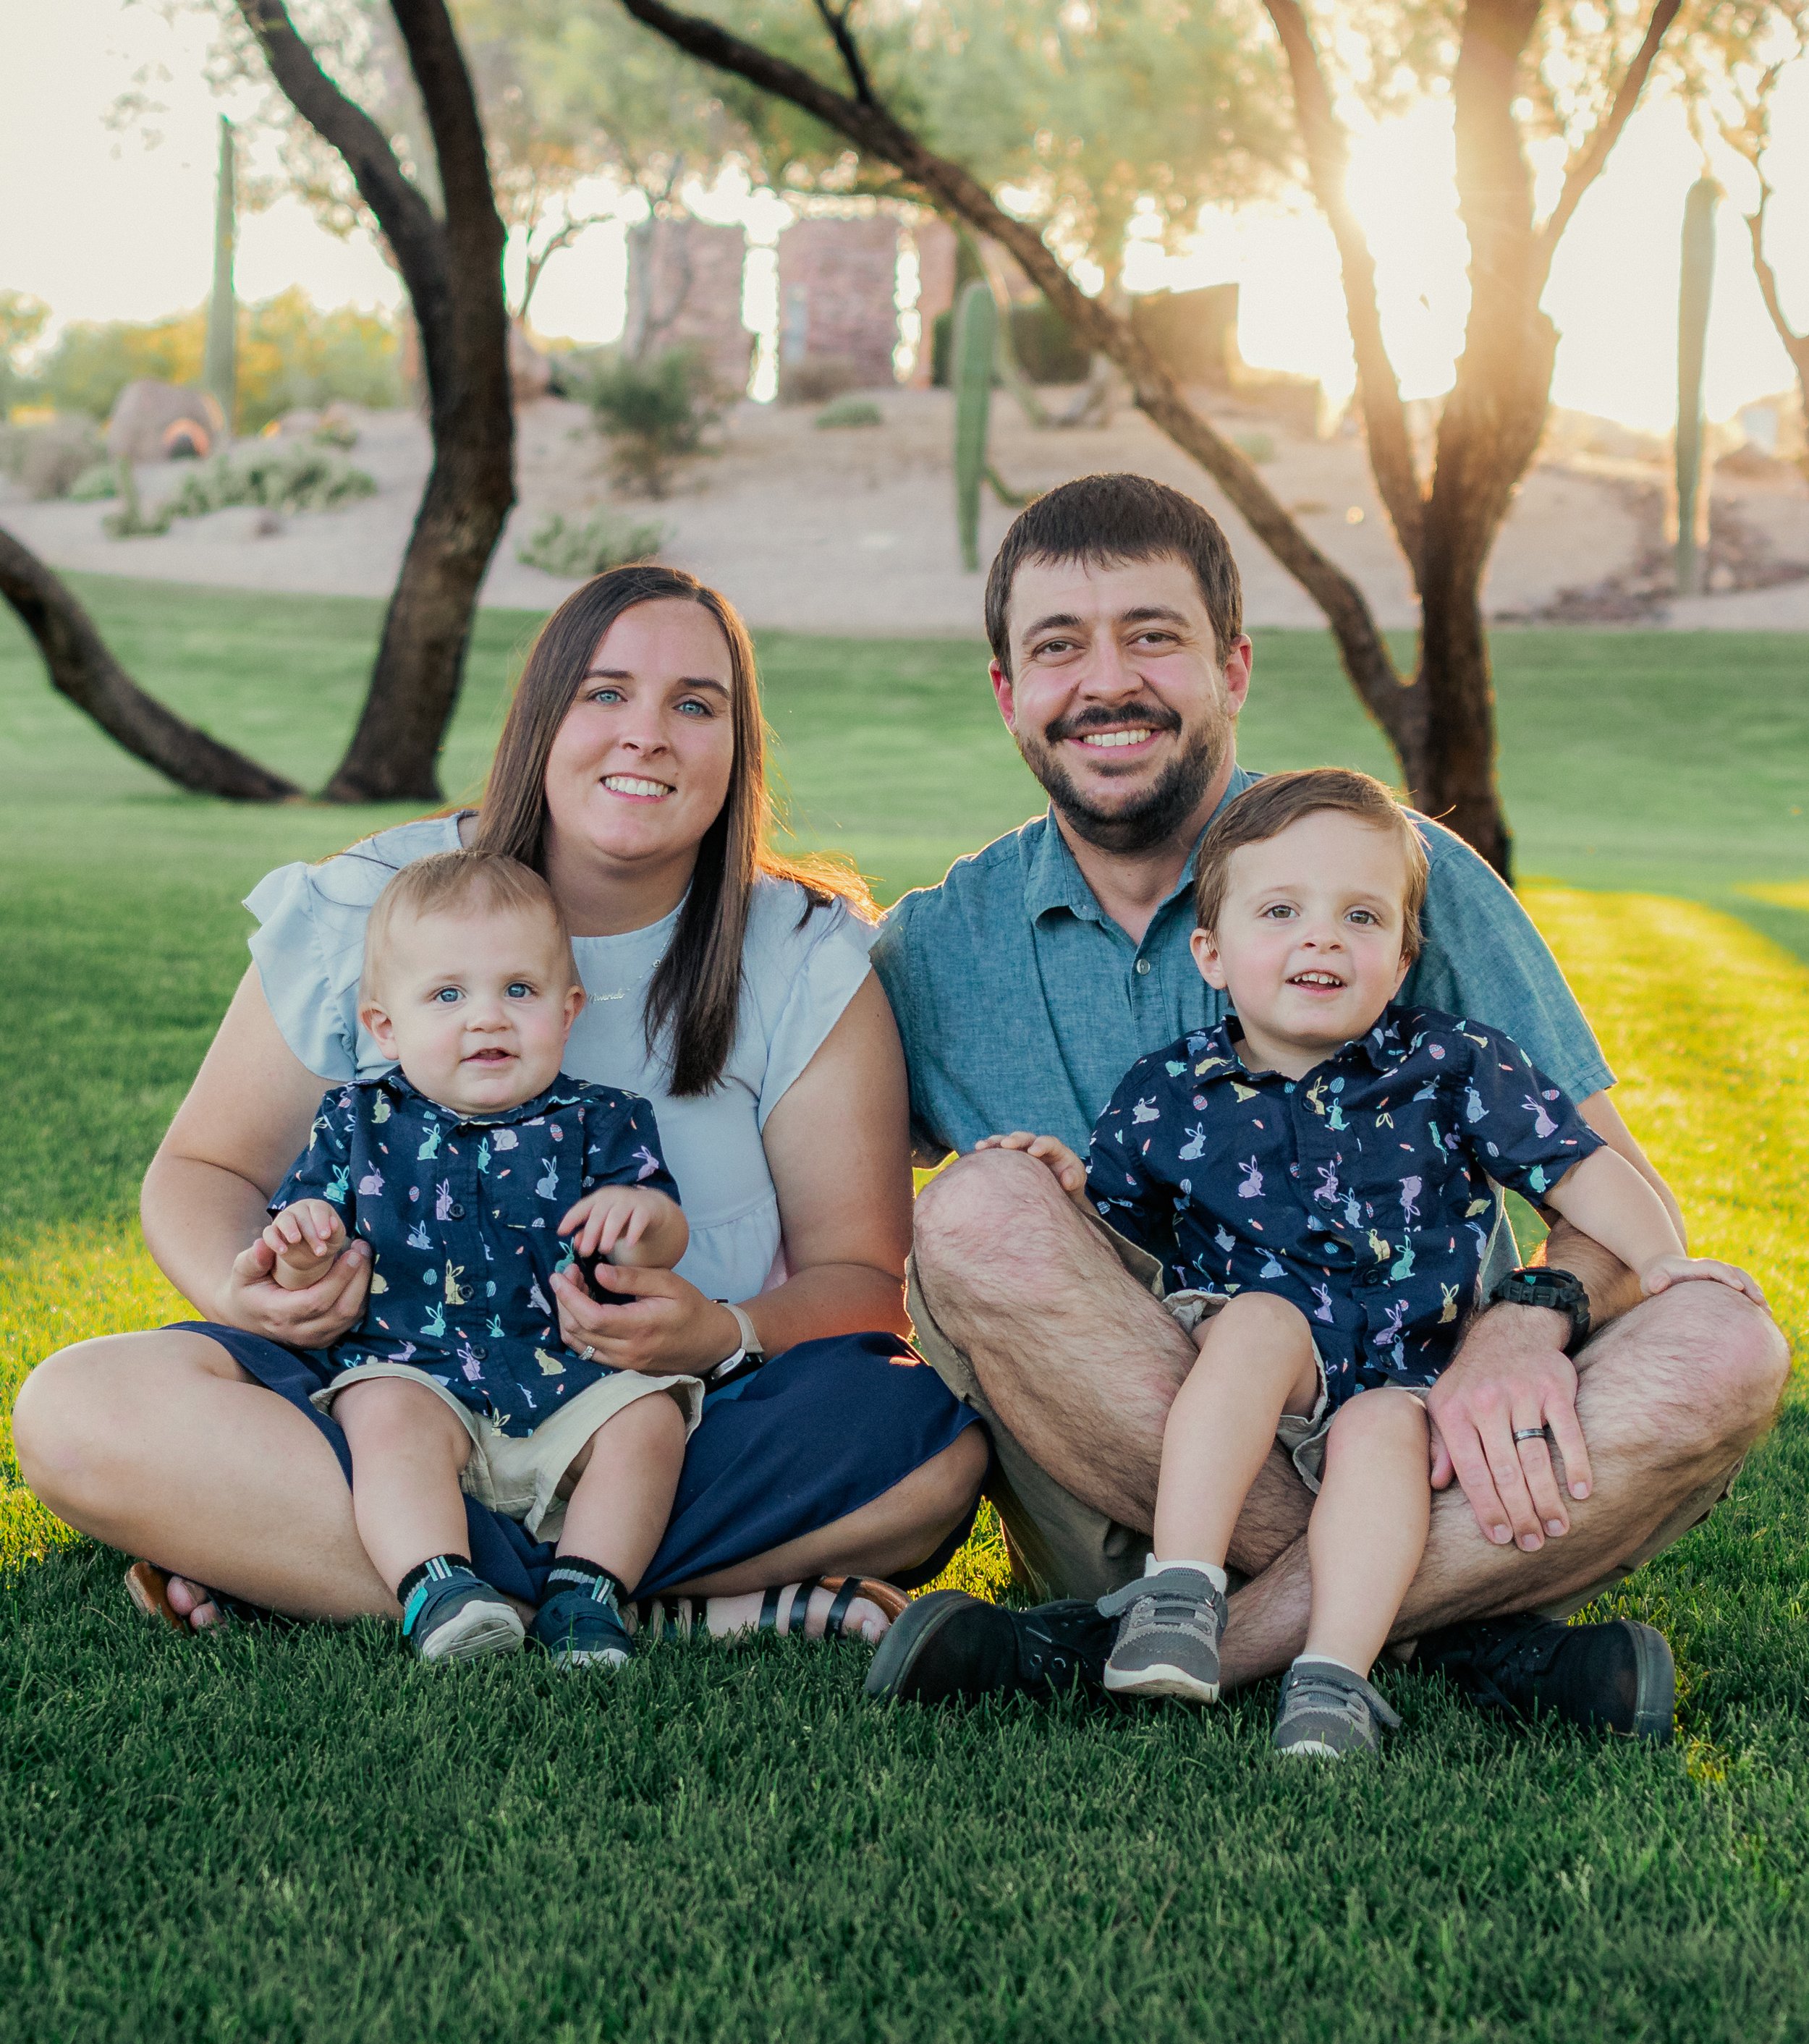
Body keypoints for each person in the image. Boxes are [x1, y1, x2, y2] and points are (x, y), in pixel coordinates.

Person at [865, 473, 1791, 1732]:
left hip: (1419, 1403)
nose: (1107, 680)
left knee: (1729, 1348)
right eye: (1057, 646)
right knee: (975, 1210)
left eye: (1153, 635)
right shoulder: (934, 947)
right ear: (1007, 692)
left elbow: (1607, 1193)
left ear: (1233, 666)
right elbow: (807, 1178)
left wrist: (1529, 1321)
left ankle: (1138, 1654)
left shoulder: (1395, 868)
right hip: (1146, 1466)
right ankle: (1466, 1631)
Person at [14, 565, 988, 1645]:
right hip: (384, 1397)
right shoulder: (378, 904)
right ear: (540, 717)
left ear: (737, 745)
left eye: (694, 704)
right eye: (604, 693)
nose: (647, 735)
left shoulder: (803, 956)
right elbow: (203, 1173)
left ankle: (340, 1561)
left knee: (929, 1449)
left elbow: (860, 1285)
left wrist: (719, 1330)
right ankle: (624, 1600)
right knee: (77, 1410)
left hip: (658, 1420)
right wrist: (258, 1304)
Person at [979, 768, 1767, 1755]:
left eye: (1360, 916)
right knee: (1261, 1320)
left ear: (1400, 961)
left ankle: (1333, 1680)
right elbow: (1115, 1245)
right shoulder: (1169, 1094)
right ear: (1213, 954)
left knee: (1386, 1428)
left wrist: (1664, 1265)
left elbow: (1584, 1174)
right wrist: (1064, 1187)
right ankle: (1180, 1593)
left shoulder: (1454, 1065)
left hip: (1409, 1387)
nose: (1321, 936)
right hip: (1255, 1387)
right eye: (1282, 911)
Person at [263, 849, 703, 1667]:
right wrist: (302, 1246)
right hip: (415, 1371)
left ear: (568, 1010)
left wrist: (641, 1218)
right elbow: (299, 1250)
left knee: (651, 1417)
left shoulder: (600, 1119)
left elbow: (662, 1233)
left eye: (519, 991)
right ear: (384, 1025)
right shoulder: (352, 1121)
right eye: (448, 995)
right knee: (381, 1415)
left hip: (571, 1377)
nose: (488, 1018)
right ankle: (439, 1588)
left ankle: (587, 1592)